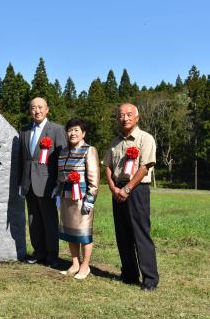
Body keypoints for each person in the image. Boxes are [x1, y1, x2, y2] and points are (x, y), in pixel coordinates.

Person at [103, 103, 159, 291]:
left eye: (129, 114)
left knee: (140, 234)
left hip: (136, 191)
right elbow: (108, 166)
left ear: (137, 117)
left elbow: (144, 167)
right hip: (117, 190)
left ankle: (150, 279)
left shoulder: (145, 139)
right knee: (123, 234)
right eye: (121, 115)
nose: (125, 118)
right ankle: (129, 274)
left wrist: (127, 189)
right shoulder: (114, 142)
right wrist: (113, 187)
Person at [18, 97, 67, 267]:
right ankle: (38, 252)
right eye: (33, 108)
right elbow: (22, 159)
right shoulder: (24, 131)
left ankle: (52, 255)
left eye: (40, 107)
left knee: (49, 221)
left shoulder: (57, 130)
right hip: (28, 183)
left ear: (47, 109)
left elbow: (62, 159)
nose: (36, 111)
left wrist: (59, 184)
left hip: (48, 184)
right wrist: (20, 182)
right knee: (33, 219)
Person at [53, 118, 99, 279]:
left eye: (76, 130)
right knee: (70, 233)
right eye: (70, 130)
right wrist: (57, 191)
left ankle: (85, 266)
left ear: (83, 133)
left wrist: (90, 200)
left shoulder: (89, 150)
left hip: (82, 199)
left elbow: (94, 180)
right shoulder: (64, 151)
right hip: (66, 198)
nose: (72, 133)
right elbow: (61, 176)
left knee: (84, 234)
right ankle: (75, 263)